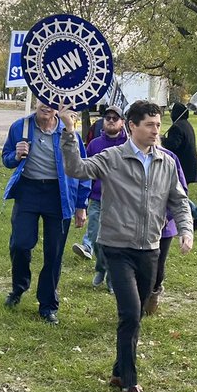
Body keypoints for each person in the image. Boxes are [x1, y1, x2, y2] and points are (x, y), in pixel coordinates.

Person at [59, 100, 193, 392]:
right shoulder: (112, 158)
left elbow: (179, 200)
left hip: (150, 250)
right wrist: (69, 130)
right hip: (117, 248)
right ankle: (131, 387)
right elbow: (76, 168)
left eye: (158, 125)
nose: (155, 130)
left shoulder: (166, 162)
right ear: (132, 126)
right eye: (149, 124)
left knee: (138, 314)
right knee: (130, 314)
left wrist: (186, 230)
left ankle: (119, 371)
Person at [1, 101, 90, 324]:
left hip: (58, 195)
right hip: (29, 191)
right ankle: (19, 287)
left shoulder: (68, 133)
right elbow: (6, 158)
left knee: (54, 252)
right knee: (20, 244)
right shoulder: (19, 127)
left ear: (58, 108)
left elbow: (83, 169)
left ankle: (48, 304)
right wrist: (16, 155)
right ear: (36, 102)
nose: (47, 107)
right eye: (43, 101)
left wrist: (81, 205)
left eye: (52, 103)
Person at [76, 104, 128, 287]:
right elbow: (85, 173)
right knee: (96, 237)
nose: (111, 121)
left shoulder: (128, 145)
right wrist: (82, 201)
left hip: (121, 201)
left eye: (115, 118)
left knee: (115, 241)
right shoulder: (94, 145)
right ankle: (101, 267)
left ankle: (112, 277)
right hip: (97, 199)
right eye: (108, 118)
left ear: (122, 122)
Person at [143, 144, 190, 316]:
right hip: (137, 227)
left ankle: (154, 294)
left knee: (158, 266)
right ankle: (137, 301)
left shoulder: (169, 158)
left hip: (163, 227)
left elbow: (180, 193)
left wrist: (166, 216)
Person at [162, 101, 197, 230]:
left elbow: (173, 145)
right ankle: (189, 217)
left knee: (176, 195)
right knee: (178, 194)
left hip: (182, 167)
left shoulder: (176, 127)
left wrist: (162, 140)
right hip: (189, 166)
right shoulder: (187, 125)